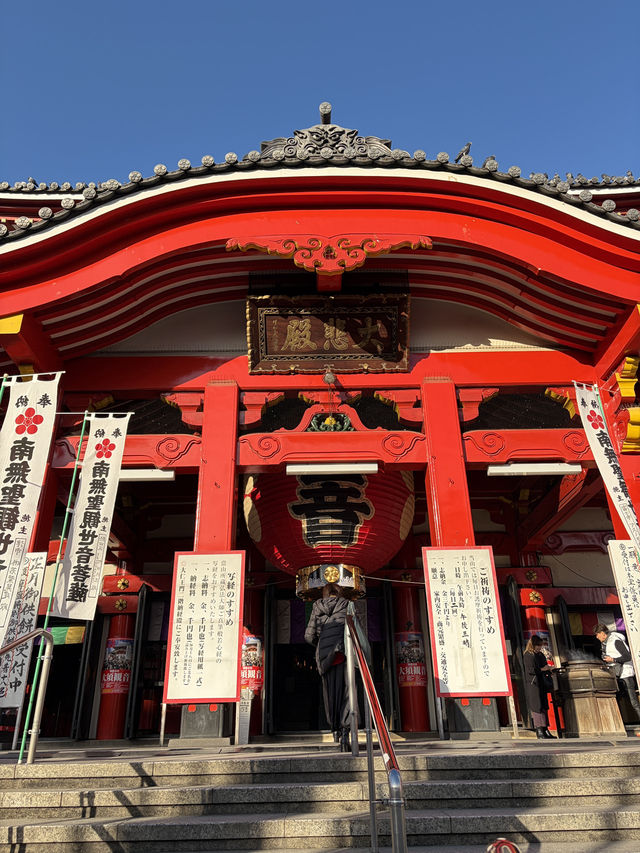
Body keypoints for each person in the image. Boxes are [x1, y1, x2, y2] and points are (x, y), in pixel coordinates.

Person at [304, 583, 351, 750]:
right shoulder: (347, 605)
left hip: (325, 658)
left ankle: (335, 731)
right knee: (347, 694)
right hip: (344, 657)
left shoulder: (317, 606)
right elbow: (355, 629)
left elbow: (309, 636)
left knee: (329, 695)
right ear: (340, 592)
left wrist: (321, 645)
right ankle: (346, 732)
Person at [595, 623, 640, 722]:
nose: (597, 638)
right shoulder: (606, 643)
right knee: (618, 699)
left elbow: (627, 656)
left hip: (626, 674)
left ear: (602, 633)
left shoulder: (615, 640)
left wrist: (613, 660)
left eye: (597, 635)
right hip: (617, 673)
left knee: (634, 702)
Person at [523, 635, 555, 739]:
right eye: (538, 645)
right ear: (533, 645)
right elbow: (530, 670)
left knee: (544, 706)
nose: (539, 647)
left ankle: (546, 729)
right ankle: (539, 730)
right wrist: (543, 669)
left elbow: (544, 665)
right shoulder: (528, 655)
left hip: (542, 682)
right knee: (537, 706)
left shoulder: (540, 654)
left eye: (540, 645)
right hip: (533, 683)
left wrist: (548, 668)